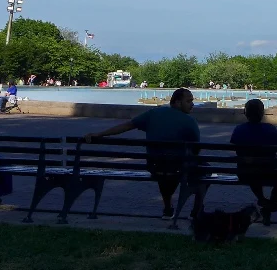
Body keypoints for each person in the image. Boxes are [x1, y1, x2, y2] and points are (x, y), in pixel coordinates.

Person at [84, 87, 205, 219]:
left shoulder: (153, 114)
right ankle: (196, 210)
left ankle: (167, 208)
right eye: (189, 101)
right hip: (178, 168)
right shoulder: (189, 121)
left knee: (164, 165)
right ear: (177, 102)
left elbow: (127, 126)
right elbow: (196, 148)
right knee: (205, 169)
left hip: (154, 166)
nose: (192, 104)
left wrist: (99, 134)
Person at [230, 98, 277, 225]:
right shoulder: (270, 129)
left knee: (252, 168)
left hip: (245, 173)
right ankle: (269, 205)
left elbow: (236, 148)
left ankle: (262, 199)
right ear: (262, 113)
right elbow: (276, 146)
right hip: (269, 171)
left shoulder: (239, 129)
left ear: (245, 113)